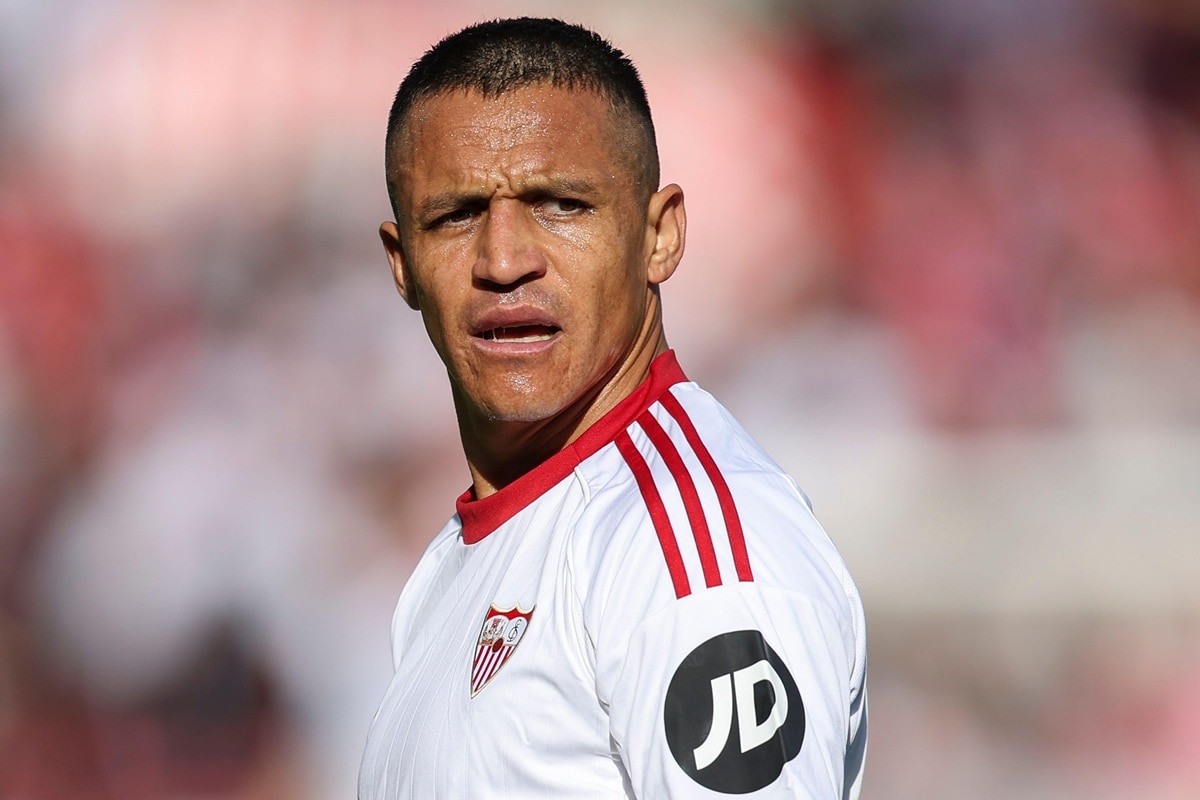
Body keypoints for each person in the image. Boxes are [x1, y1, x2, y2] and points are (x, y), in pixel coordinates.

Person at [359, 17, 867, 799]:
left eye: (561, 205)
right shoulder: (458, 564)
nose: (503, 261)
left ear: (659, 236)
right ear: (403, 266)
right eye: (456, 215)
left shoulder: (685, 554)